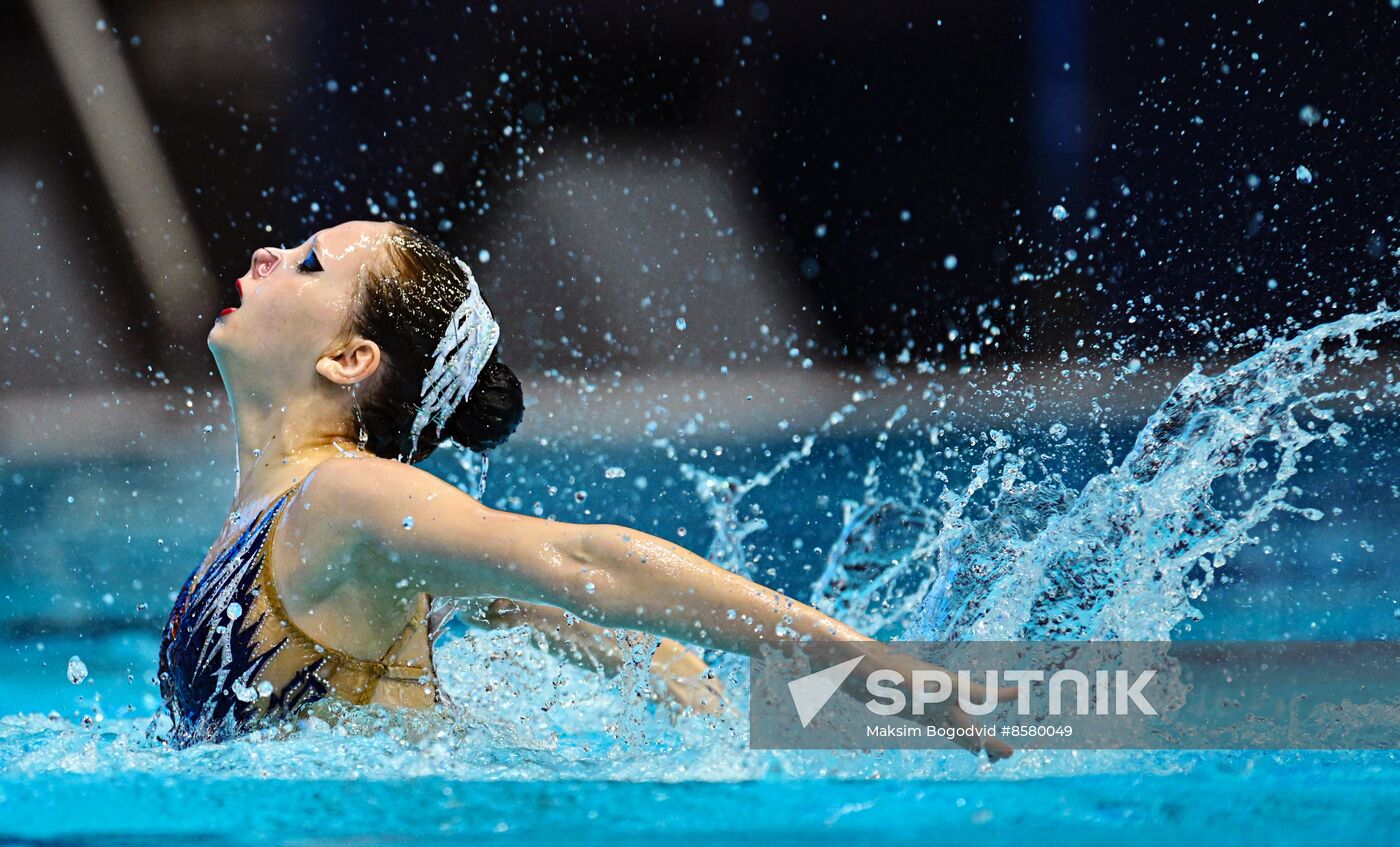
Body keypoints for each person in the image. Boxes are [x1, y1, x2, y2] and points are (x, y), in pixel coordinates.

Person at [156, 219, 1013, 761]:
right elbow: (547, 609)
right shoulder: (298, 521)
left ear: (349, 360)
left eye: (307, 264)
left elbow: (582, 561)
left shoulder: (347, 500)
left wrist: (886, 673)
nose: (269, 252)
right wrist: (686, 685)